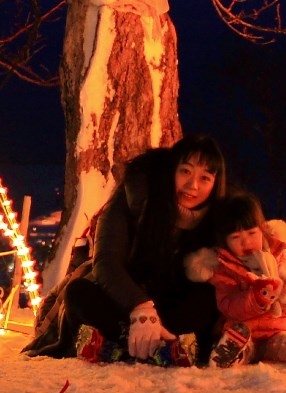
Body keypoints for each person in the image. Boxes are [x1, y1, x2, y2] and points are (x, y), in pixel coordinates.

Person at [24, 133, 232, 365]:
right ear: (170, 170)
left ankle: (122, 348)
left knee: (207, 298)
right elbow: (106, 261)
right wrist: (139, 308)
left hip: (174, 310)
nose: (192, 185)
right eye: (185, 171)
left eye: (205, 178)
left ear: (215, 184)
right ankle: (161, 350)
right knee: (79, 293)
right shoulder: (133, 196)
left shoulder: (222, 215)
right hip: (127, 303)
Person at [184, 191, 286, 364]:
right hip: (244, 331)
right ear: (224, 241)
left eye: (252, 233)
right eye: (236, 238)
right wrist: (256, 298)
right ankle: (231, 354)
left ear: (262, 230)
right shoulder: (224, 268)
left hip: (278, 327)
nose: (246, 242)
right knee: (244, 348)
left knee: (285, 344)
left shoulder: (279, 256)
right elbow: (228, 305)